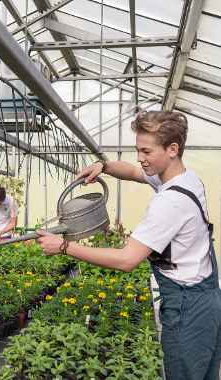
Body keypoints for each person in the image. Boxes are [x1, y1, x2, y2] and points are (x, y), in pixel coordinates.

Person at [36, 111, 221, 380]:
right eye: (137, 149)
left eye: (146, 151)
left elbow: (127, 260)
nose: (140, 158)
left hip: (187, 308)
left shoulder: (169, 202)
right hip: (206, 296)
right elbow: (134, 172)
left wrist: (64, 247)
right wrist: (104, 167)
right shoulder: (184, 179)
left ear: (172, 149)